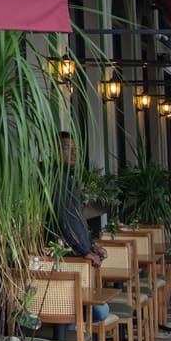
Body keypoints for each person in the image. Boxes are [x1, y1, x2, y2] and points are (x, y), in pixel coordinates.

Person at [51, 131, 109, 321]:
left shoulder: (69, 178)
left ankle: (74, 330)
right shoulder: (56, 180)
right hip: (66, 261)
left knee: (100, 307)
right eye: (67, 148)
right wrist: (85, 251)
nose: (74, 153)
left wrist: (91, 245)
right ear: (55, 151)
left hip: (74, 259)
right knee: (101, 310)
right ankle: (74, 331)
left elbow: (77, 219)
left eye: (76, 149)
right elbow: (65, 220)